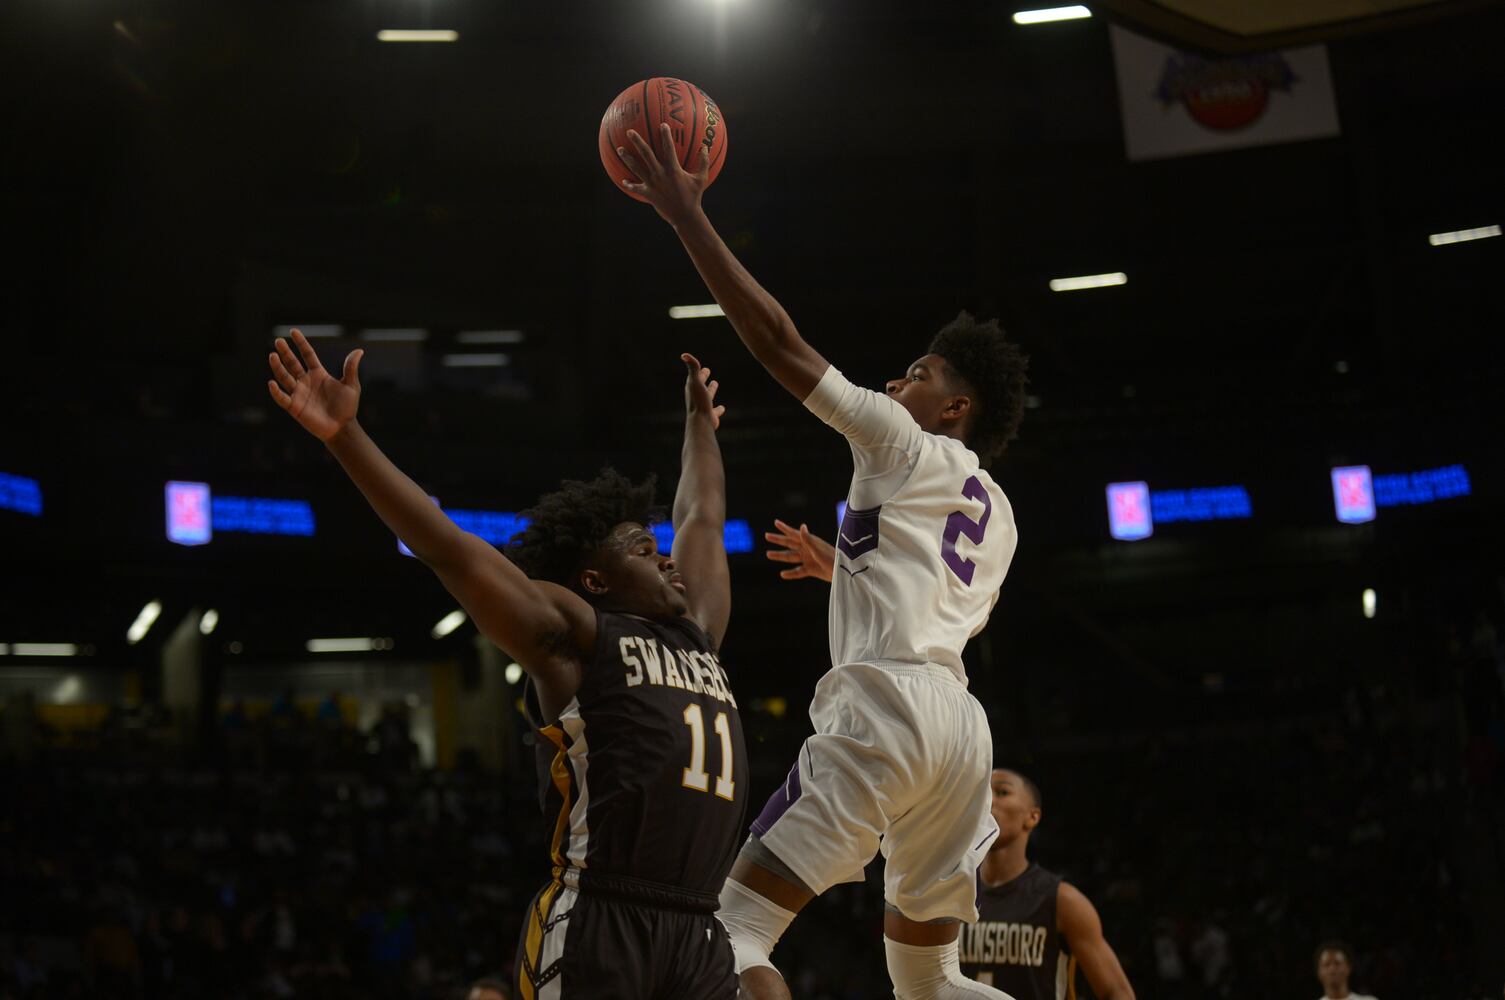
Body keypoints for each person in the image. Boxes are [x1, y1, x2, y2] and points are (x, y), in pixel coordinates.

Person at [618, 126, 1030, 1000]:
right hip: (961, 731)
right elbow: (937, 604)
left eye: (916, 373)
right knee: (931, 983)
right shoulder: (998, 513)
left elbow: (777, 341)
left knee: (731, 933)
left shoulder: (901, 441)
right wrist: (847, 568)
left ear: (953, 407)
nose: (895, 382)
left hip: (884, 711)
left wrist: (687, 216)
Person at [266, 332, 746, 999]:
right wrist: (345, 436)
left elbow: (702, 517)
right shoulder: (576, 635)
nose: (665, 557)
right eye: (643, 550)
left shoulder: (698, 634)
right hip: (602, 915)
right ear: (595, 581)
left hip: (698, 925)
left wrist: (698, 426)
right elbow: (450, 550)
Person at [959, 769, 1134, 1000]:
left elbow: (1117, 992)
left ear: (1032, 817)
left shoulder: (1062, 900)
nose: (988, 799)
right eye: (983, 792)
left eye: (1002, 792)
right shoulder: (949, 891)